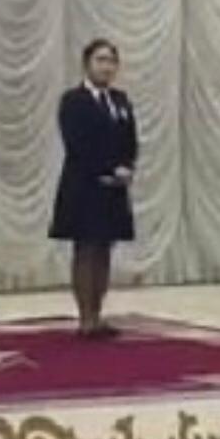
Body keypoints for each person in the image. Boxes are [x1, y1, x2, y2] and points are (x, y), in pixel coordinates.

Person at [48, 38, 138, 339]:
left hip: (113, 189)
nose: (106, 67)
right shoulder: (73, 101)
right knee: (85, 249)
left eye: (111, 61)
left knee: (104, 249)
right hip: (83, 186)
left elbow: (130, 140)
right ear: (87, 64)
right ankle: (85, 317)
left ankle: (98, 314)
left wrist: (126, 168)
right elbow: (78, 144)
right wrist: (108, 169)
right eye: (100, 60)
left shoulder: (120, 100)